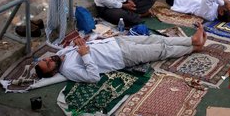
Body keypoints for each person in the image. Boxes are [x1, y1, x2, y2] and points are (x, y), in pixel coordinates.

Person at [35, 24, 207, 83]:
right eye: (49, 63)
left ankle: (192, 40)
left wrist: (77, 43)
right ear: (53, 72)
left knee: (154, 39)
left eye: (46, 59)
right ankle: (193, 47)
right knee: (160, 50)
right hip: (122, 56)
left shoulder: (62, 53)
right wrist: (85, 54)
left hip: (117, 42)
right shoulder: (69, 70)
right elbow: (94, 77)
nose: (50, 58)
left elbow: (75, 45)